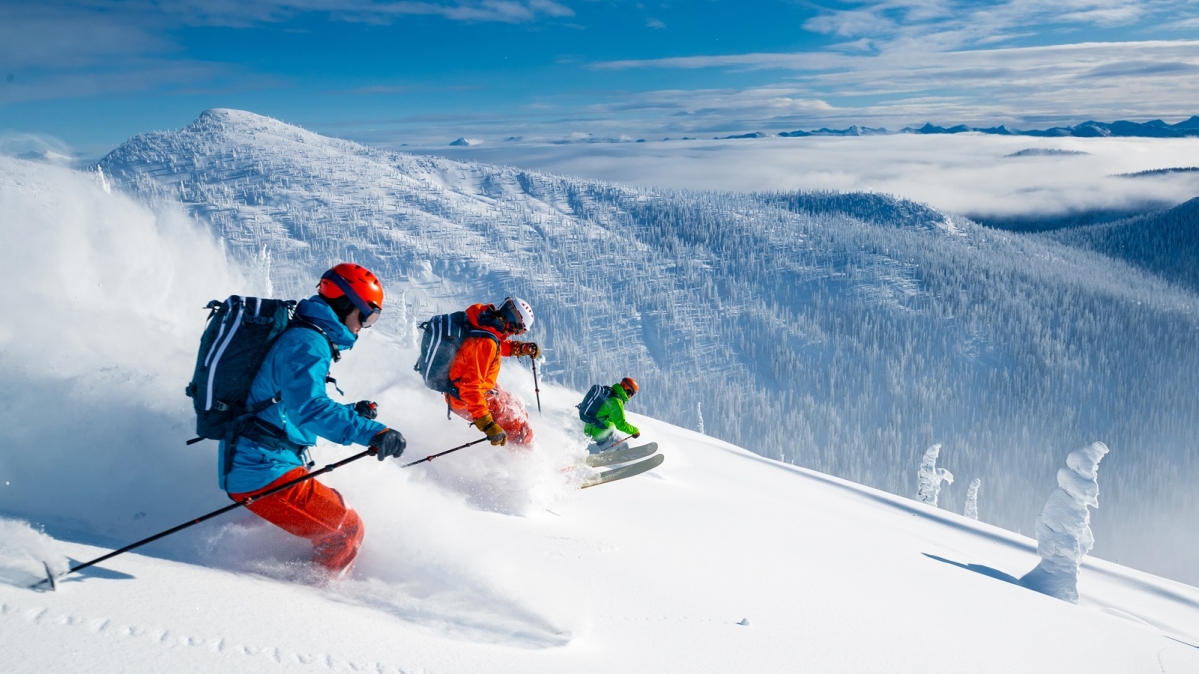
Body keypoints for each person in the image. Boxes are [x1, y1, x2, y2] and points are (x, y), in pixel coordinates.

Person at [220, 263, 407, 576]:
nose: (365, 326)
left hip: (263, 461)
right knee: (346, 531)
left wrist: (350, 413)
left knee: (337, 516)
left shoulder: (306, 336)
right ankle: (314, 600)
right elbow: (308, 409)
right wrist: (373, 433)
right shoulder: (307, 343)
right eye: (368, 316)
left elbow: (288, 402)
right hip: (262, 470)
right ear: (347, 304)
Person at [446, 297, 540, 447]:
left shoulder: (482, 320)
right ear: (513, 322)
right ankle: (528, 460)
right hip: (466, 398)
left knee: (516, 405)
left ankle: (527, 446)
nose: (514, 334)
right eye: (518, 329)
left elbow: (495, 343)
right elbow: (470, 389)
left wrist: (520, 348)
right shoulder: (485, 343)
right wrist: (486, 424)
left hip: (476, 387)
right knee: (521, 430)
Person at [584, 377, 641, 451]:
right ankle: (611, 460)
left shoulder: (609, 393)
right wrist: (635, 431)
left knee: (615, 437)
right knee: (623, 447)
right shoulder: (616, 402)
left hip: (589, 429)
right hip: (599, 433)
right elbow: (621, 425)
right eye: (632, 394)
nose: (630, 397)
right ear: (628, 391)